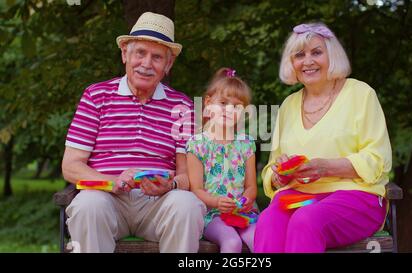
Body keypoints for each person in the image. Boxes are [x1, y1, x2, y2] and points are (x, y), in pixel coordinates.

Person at [61, 12, 206, 253]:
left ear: (168, 65)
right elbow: (71, 167)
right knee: (87, 204)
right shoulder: (96, 96)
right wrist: (111, 182)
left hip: (158, 205)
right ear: (125, 54)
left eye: (157, 57)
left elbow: (187, 176)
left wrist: (169, 186)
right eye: (140, 53)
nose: (147, 64)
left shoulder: (182, 106)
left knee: (186, 204)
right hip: (107, 200)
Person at [254, 22, 392, 253]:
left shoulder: (361, 94)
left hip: (355, 197)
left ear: (332, 56)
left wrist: (327, 168)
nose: (307, 61)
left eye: (316, 52)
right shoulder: (289, 105)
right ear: (292, 63)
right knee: (268, 220)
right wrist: (279, 175)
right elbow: (271, 168)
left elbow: (378, 159)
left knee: (305, 220)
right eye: (299, 55)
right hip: (301, 197)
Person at [186, 68, 258, 253]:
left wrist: (247, 199)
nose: (229, 110)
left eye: (236, 106)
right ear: (209, 104)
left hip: (243, 213)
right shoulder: (198, 144)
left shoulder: (246, 143)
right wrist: (216, 202)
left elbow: (251, 186)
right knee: (232, 242)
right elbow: (196, 190)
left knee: (258, 238)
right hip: (213, 215)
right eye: (223, 103)